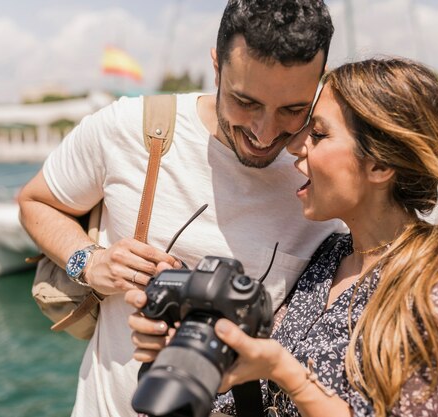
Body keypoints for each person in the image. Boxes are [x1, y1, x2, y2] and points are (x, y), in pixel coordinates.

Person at [127, 57, 438, 416]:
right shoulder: (330, 255)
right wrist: (189, 349)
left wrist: (288, 375)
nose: (294, 145)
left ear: (379, 163)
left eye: (319, 133)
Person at [17, 1, 344, 416]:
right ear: (216, 66)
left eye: (293, 110)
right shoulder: (129, 127)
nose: (265, 133)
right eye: (245, 102)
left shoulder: (323, 175)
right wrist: (88, 260)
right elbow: (36, 202)